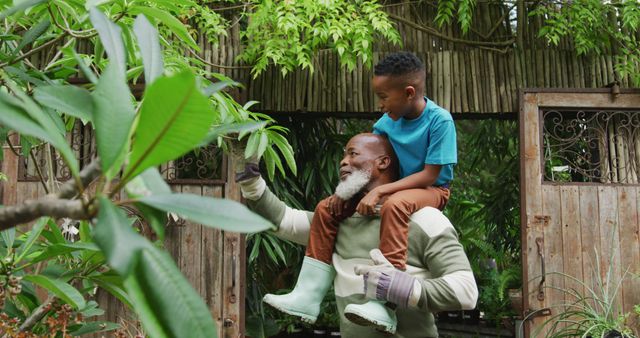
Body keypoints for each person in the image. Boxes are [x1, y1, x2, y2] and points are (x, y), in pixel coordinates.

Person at [263, 52, 458, 333]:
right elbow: (376, 162)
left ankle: (384, 301)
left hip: (431, 189)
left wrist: (380, 193)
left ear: (409, 92)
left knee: (396, 205)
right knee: (326, 207)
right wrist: (351, 191)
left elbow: (431, 174)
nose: (380, 104)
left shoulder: (439, 121)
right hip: (396, 189)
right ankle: (307, 294)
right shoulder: (385, 124)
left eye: (384, 96)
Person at [233, 133, 476, 337]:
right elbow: (283, 221)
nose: (342, 162)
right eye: (343, 155)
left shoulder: (425, 219)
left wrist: (403, 288)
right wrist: (250, 179)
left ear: (382, 162)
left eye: (353, 154)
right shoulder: (335, 223)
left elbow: (465, 291)